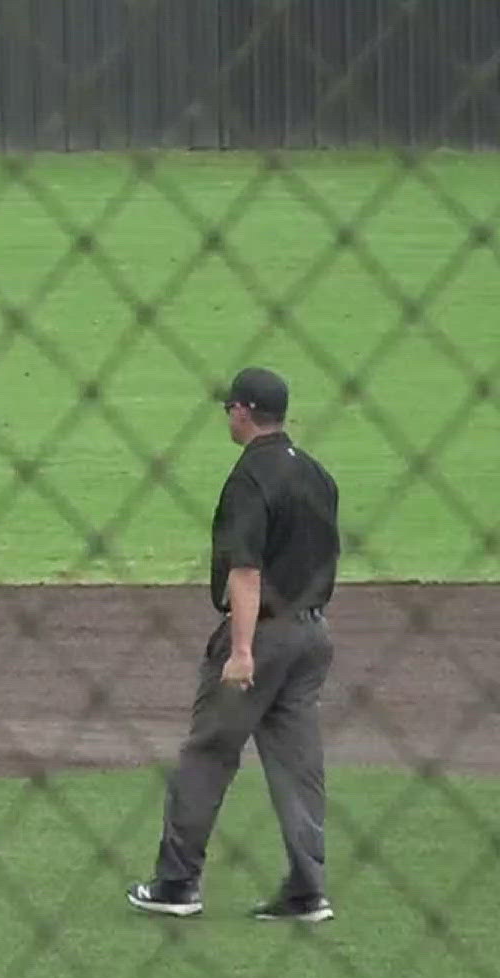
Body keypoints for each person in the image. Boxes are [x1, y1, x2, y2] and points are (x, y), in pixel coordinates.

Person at [128, 367, 340, 923]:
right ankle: (307, 889)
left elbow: (246, 571)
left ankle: (177, 884)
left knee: (208, 752)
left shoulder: (251, 477)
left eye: (230, 408)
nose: (228, 415)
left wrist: (241, 650)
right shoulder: (316, 474)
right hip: (312, 633)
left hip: (263, 635)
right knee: (298, 765)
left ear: (244, 411)